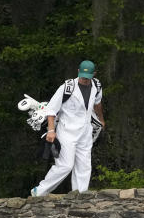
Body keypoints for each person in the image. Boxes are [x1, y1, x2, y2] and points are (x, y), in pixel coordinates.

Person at [30, 60, 105, 196]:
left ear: (94, 74)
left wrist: (101, 119)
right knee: (65, 165)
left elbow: (98, 103)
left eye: (87, 78)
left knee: (84, 165)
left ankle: (80, 194)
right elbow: (51, 110)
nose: (84, 80)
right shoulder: (67, 87)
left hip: (85, 130)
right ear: (78, 72)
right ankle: (39, 191)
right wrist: (51, 130)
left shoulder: (96, 85)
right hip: (67, 131)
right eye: (82, 76)